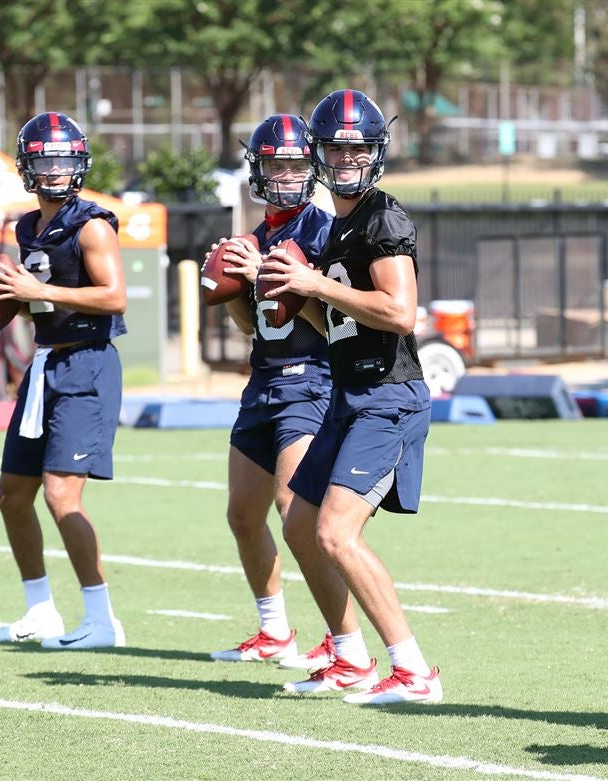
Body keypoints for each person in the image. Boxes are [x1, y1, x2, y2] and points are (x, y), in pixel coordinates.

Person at [260, 89, 441, 705]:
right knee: (302, 525)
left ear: (377, 153)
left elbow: (400, 312)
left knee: (337, 533)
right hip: (349, 391)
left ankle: (414, 671)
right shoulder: (336, 225)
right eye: (336, 147)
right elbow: (330, 321)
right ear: (317, 154)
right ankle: (351, 658)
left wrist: (311, 281)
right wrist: (284, 289)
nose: (346, 158)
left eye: (358, 147)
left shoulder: (380, 217)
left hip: (388, 394)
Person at [205, 113, 352, 671]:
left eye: (296, 165)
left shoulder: (322, 230)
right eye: (277, 165)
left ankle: (342, 641)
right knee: (243, 514)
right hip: (263, 379)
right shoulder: (259, 235)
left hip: (313, 380)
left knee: (298, 512)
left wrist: (282, 273)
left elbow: (332, 317)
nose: (288, 175)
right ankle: (274, 631)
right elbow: (252, 323)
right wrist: (240, 281)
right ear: (258, 170)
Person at [0, 112, 128, 650]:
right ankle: (40, 610)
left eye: (65, 160)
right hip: (45, 365)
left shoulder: (92, 224)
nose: (57, 170)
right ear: (27, 166)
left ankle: (101, 618)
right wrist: (4, 298)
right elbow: (36, 296)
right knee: (13, 493)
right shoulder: (26, 226)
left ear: (80, 163)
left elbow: (113, 296)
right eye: (46, 160)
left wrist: (27, 287)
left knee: (62, 496)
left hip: (87, 362)